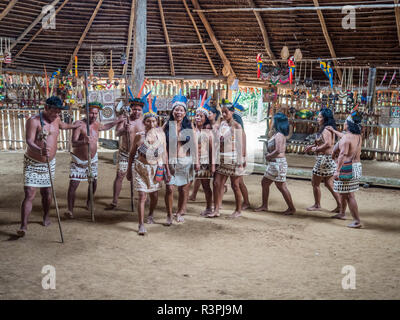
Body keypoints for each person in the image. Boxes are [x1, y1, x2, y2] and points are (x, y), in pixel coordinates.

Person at [18, 96, 79, 237]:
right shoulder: (33, 121)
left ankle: (46, 216)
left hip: (49, 163)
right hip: (33, 162)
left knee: (47, 192)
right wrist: (39, 150)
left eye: (58, 112)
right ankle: (23, 226)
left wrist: (74, 126)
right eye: (54, 111)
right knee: (29, 193)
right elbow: (29, 141)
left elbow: (62, 125)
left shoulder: (56, 119)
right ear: (46, 108)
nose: (56, 115)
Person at [64, 102, 123, 219]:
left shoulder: (96, 124)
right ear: (85, 112)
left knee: (93, 182)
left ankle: (89, 202)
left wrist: (116, 121)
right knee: (74, 184)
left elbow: (105, 127)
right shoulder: (79, 125)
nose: (93, 115)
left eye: (96, 113)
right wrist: (83, 141)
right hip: (79, 160)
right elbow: (73, 143)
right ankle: (70, 209)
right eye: (91, 112)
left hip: (93, 159)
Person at [127, 95, 169, 235]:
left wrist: (167, 171)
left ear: (157, 122)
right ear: (144, 122)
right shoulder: (139, 136)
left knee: (155, 195)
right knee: (142, 196)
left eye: (154, 121)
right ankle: (141, 224)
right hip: (140, 168)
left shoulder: (161, 135)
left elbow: (164, 154)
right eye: (148, 121)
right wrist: (128, 170)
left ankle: (150, 214)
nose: (151, 124)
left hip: (156, 168)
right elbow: (132, 154)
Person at [107, 94, 149, 209]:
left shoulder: (145, 122)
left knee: (142, 176)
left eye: (139, 109)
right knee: (120, 175)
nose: (136, 111)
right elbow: (117, 133)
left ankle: (146, 198)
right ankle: (114, 201)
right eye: (134, 109)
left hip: (139, 154)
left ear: (142, 110)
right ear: (131, 109)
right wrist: (123, 129)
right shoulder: (125, 119)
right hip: (125, 153)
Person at [164, 90, 199, 223]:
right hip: (171, 161)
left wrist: (196, 162)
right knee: (169, 188)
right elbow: (159, 138)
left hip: (186, 160)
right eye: (176, 110)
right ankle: (169, 214)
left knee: (184, 189)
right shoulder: (167, 125)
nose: (178, 112)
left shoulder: (189, 125)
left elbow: (194, 144)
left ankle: (179, 213)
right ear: (172, 112)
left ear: (185, 113)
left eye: (181, 110)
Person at [207, 99, 246, 219]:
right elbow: (214, 133)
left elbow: (240, 145)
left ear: (232, 112)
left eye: (226, 112)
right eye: (222, 112)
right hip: (222, 159)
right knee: (217, 183)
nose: (224, 114)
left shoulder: (237, 126)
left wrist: (241, 162)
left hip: (233, 160)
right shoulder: (222, 124)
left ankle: (238, 210)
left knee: (235, 185)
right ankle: (217, 209)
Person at [254, 112, 296, 215]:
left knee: (280, 186)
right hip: (276, 163)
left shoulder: (279, 135)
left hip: (278, 163)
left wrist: (269, 156)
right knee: (266, 183)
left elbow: (278, 150)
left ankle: (291, 208)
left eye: (273, 120)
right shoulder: (278, 134)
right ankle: (265, 205)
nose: (271, 122)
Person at [327, 111, 363, 228]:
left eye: (345, 122)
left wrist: (337, 170)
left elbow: (342, 155)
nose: (344, 124)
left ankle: (357, 221)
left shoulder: (346, 139)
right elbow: (344, 137)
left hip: (347, 167)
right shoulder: (357, 136)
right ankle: (342, 213)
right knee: (343, 192)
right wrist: (334, 131)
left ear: (348, 125)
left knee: (349, 195)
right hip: (357, 166)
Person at [304, 108, 341, 212]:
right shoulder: (328, 129)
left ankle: (317, 205)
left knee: (315, 183)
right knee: (329, 183)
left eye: (320, 117)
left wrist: (315, 149)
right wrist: (312, 146)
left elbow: (328, 144)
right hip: (329, 159)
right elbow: (323, 142)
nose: (318, 118)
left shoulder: (326, 130)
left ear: (325, 118)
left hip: (324, 159)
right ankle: (340, 205)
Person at [193, 96, 215, 216]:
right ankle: (182, 209)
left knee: (206, 186)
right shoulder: (191, 130)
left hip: (204, 162)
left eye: (201, 116)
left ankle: (208, 208)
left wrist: (212, 166)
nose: (198, 117)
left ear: (205, 118)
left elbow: (212, 150)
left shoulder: (208, 132)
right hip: (191, 162)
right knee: (185, 186)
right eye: (196, 115)